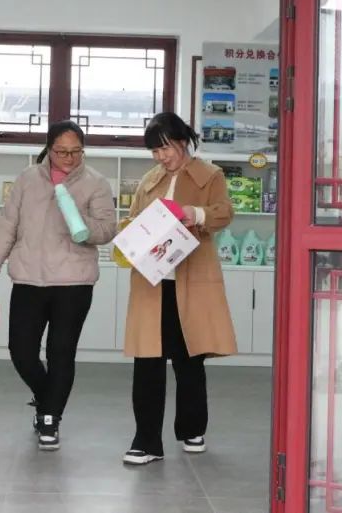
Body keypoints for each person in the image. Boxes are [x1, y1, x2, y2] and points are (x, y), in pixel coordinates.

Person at [0, 120, 116, 451]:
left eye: (76, 151)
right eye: (61, 152)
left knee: (61, 352)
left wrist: (80, 223)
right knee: (21, 351)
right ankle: (47, 398)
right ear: (49, 149)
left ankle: (50, 418)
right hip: (29, 278)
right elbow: (8, 225)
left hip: (73, 282)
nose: (69, 158)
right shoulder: (27, 179)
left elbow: (107, 229)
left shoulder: (96, 182)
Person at [121, 112, 237, 465]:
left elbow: (224, 212)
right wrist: (129, 232)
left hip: (192, 280)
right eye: (155, 151)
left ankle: (192, 428)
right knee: (147, 361)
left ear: (182, 141)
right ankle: (146, 441)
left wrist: (195, 214)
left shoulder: (210, 175)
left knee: (190, 360)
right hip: (152, 282)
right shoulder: (149, 180)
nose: (161, 157)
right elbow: (133, 217)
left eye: (166, 148)